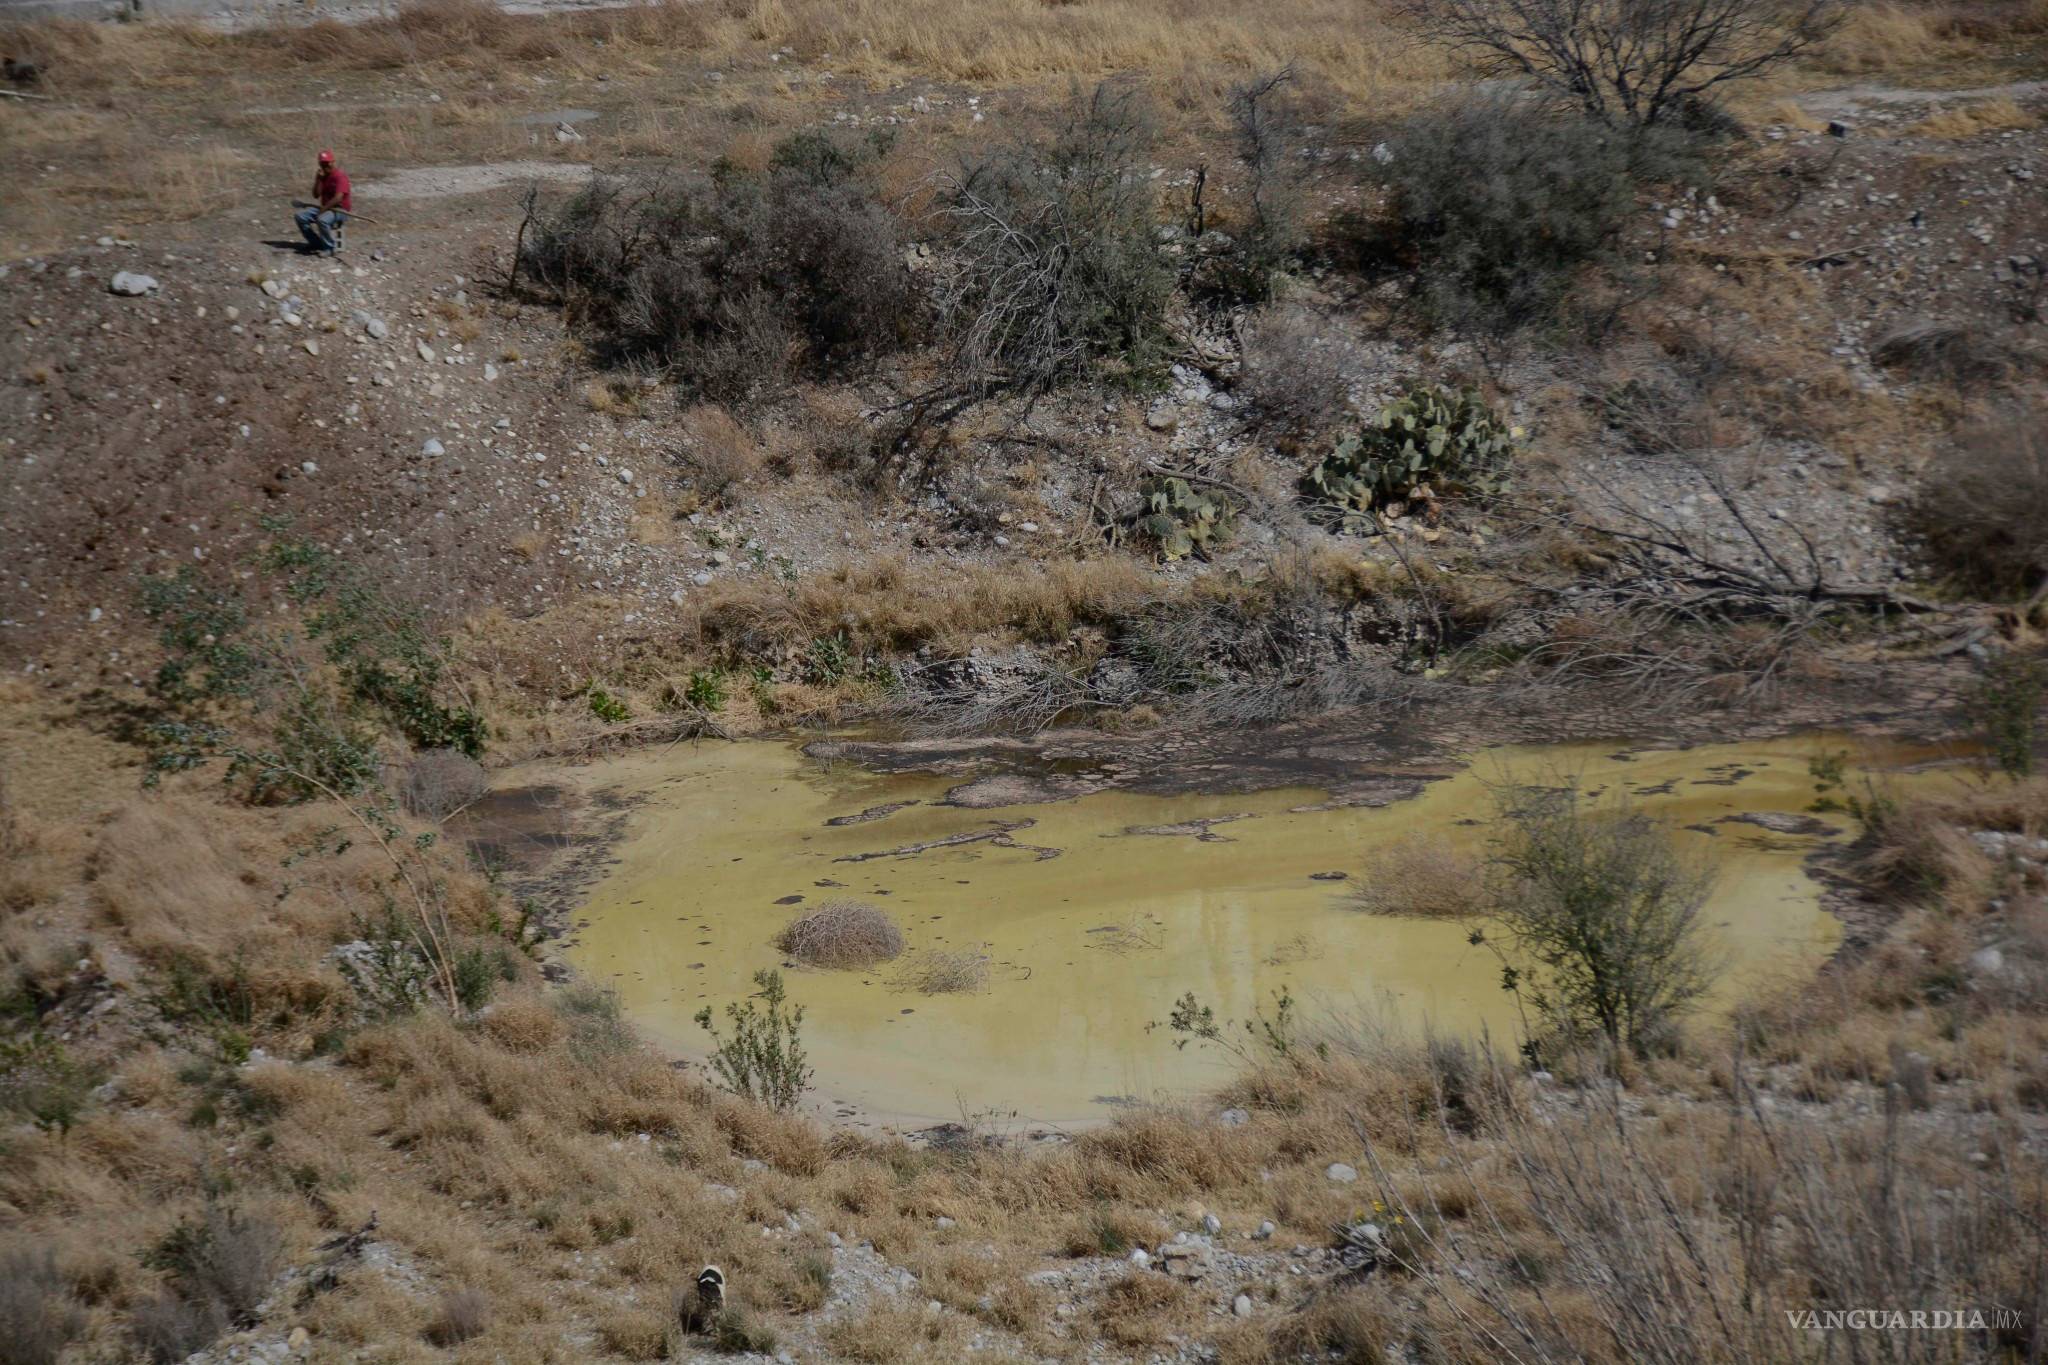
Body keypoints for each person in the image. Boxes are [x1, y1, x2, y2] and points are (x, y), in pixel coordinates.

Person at [295, 150, 352, 255]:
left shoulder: (340, 176)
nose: (325, 165)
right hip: (325, 207)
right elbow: (316, 195)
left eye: (327, 163)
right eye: (322, 163)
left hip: (340, 210)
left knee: (322, 220)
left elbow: (338, 198)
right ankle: (316, 243)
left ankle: (329, 247)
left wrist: (323, 209)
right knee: (300, 216)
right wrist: (318, 180)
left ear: (332, 162)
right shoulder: (323, 176)